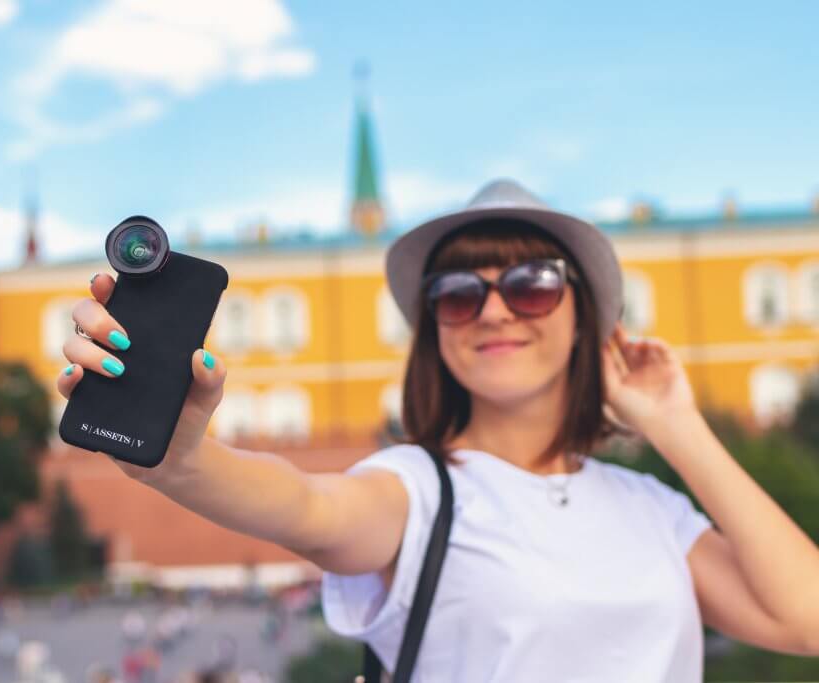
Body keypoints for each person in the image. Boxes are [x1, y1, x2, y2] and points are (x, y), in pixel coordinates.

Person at [57, 179, 819, 680]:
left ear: (587, 318)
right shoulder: (418, 491)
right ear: (435, 333)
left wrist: (675, 421)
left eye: (532, 286)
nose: (494, 309)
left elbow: (806, 619)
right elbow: (301, 504)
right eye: (459, 294)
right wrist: (181, 456)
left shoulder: (652, 510)